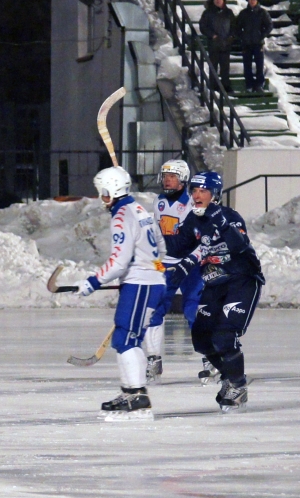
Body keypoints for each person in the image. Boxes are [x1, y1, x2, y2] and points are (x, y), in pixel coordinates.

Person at [164, 171, 263, 412]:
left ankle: (237, 385)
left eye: (203, 191)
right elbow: (177, 251)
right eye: (194, 191)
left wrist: (221, 222)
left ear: (215, 194)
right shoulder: (192, 220)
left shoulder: (230, 216)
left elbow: (239, 245)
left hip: (242, 281)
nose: (197, 196)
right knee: (201, 339)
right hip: (214, 284)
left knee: (224, 336)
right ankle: (230, 375)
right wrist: (151, 257)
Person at [76, 166, 165, 420]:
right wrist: (157, 271)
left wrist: (93, 281)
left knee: (125, 339)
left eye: (103, 194)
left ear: (112, 191)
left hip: (140, 285)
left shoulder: (122, 216)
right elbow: (159, 249)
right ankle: (132, 392)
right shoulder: (139, 210)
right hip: (149, 283)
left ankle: (135, 394)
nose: (102, 199)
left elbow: (119, 261)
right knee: (129, 338)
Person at [143, 159, 204, 383]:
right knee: (153, 310)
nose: (167, 179)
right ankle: (153, 360)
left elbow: (201, 239)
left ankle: (210, 358)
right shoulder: (158, 202)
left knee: (193, 310)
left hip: (190, 265)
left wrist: (190, 260)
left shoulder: (193, 204)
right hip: (165, 265)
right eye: (165, 175)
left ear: (183, 180)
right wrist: (153, 262)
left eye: (173, 176)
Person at [235, 0, 273, 93]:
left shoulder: (262, 12)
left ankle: (259, 84)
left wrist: (262, 35)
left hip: (258, 43)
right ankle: (249, 84)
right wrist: (242, 36)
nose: (252, 1)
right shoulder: (243, 13)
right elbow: (237, 27)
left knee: (259, 65)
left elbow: (269, 25)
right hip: (246, 43)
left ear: (257, 0)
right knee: (247, 65)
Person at [199, 0, 235, 94]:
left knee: (225, 67)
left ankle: (226, 86)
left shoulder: (229, 13)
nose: (217, 0)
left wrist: (231, 36)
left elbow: (234, 26)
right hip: (214, 44)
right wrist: (212, 35)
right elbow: (203, 26)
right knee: (213, 66)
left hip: (226, 43)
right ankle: (213, 86)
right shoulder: (208, 13)